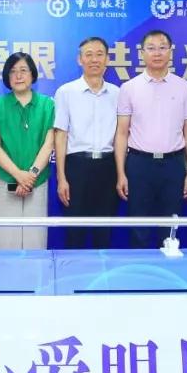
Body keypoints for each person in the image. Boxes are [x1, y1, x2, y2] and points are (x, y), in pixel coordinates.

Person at [115, 30, 187, 249]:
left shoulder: (183, 86)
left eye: (162, 47)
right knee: (138, 227)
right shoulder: (129, 88)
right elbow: (122, 133)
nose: (157, 53)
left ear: (171, 52)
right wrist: (121, 173)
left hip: (173, 164)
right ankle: (139, 269)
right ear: (141, 53)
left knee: (169, 227)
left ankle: (168, 268)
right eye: (151, 48)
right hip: (139, 164)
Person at [54, 36, 120, 249]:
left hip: (108, 167)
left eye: (100, 54)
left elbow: (121, 136)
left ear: (107, 59)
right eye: (88, 55)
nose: (94, 60)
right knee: (75, 232)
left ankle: (103, 271)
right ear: (79, 59)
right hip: (77, 167)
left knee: (104, 232)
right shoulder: (66, 92)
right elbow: (60, 135)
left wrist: (121, 174)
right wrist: (61, 178)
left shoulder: (117, 93)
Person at [0, 52, 55, 250]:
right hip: (6, 179)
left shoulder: (47, 104)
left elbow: (48, 144)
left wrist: (30, 176)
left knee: (36, 240)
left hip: (37, 181)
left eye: (23, 70)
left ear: (32, 74)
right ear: (7, 77)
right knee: (7, 240)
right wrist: (18, 175)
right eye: (13, 71)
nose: (18, 76)